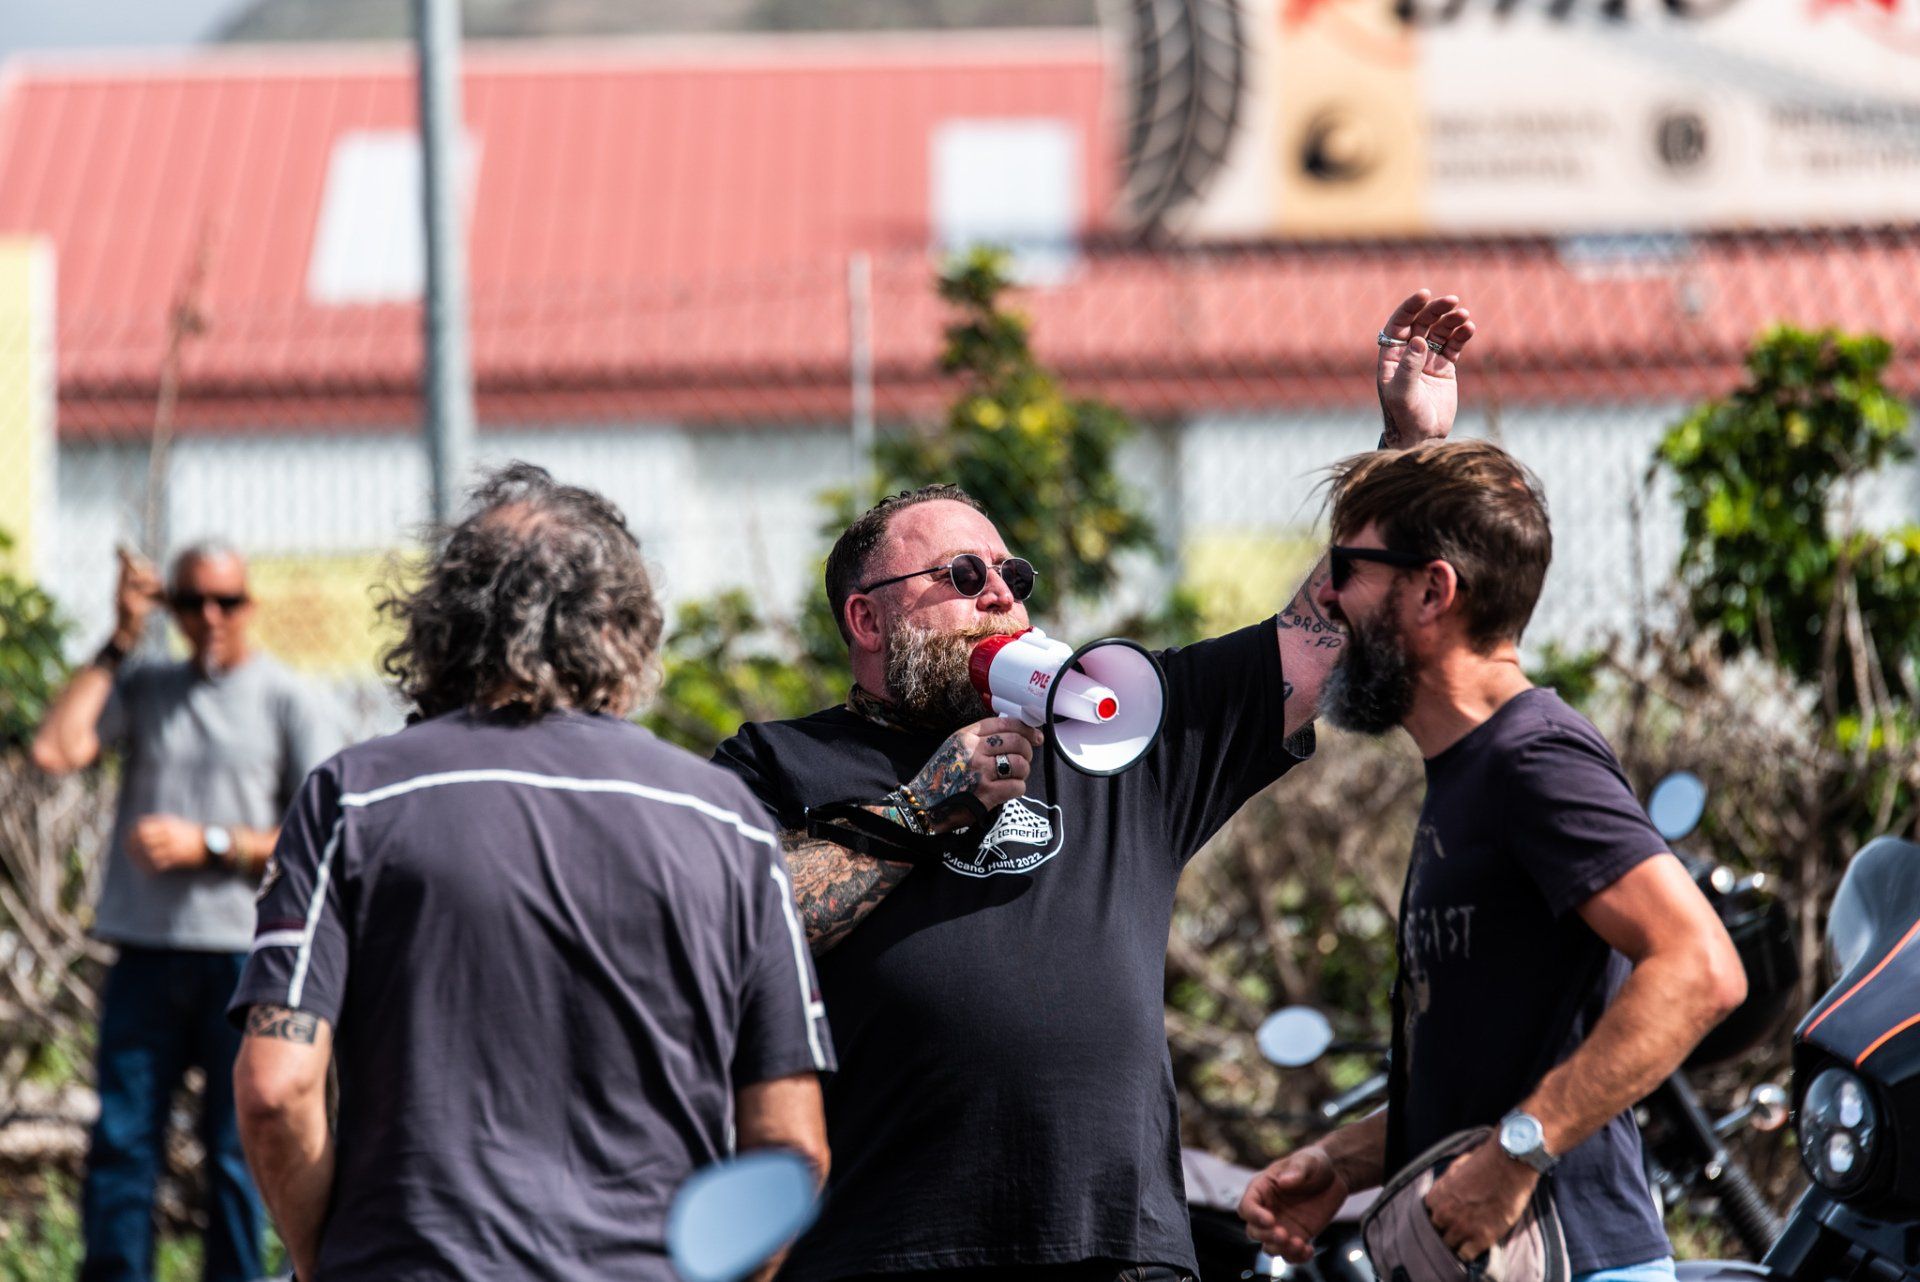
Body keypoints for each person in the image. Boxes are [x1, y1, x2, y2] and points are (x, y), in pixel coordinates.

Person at [710, 292, 1477, 1282]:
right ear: (867, 620)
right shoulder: (778, 763)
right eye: (963, 573)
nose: (1003, 593)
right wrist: (916, 814)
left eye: (1013, 572)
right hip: (888, 1248)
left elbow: (1319, 635)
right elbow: (731, 933)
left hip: (1119, 1250)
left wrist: (1404, 453)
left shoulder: (1110, 729)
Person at [227, 463, 833, 1282]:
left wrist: (317, 1263)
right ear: (626, 625)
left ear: (442, 621)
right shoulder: (728, 824)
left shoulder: (356, 797)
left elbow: (275, 1090)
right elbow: (791, 1146)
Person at [1236, 440, 1748, 1282]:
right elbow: (1494, 1072)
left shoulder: (1535, 757)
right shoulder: (1471, 768)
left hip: (1577, 1262)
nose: (1326, 595)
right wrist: (1346, 1160)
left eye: (1348, 568)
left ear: (1434, 590)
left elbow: (1700, 966)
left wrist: (1518, 1156)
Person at [31, 541, 343, 1282]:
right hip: (146, 949)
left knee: (239, 1151)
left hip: (244, 957)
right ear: (171, 606)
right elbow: (53, 749)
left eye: (225, 601)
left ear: (248, 604)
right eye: (191, 601)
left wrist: (210, 845)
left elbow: (325, 839)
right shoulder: (147, 686)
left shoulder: (286, 700)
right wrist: (119, 637)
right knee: (122, 1142)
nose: (209, 617)